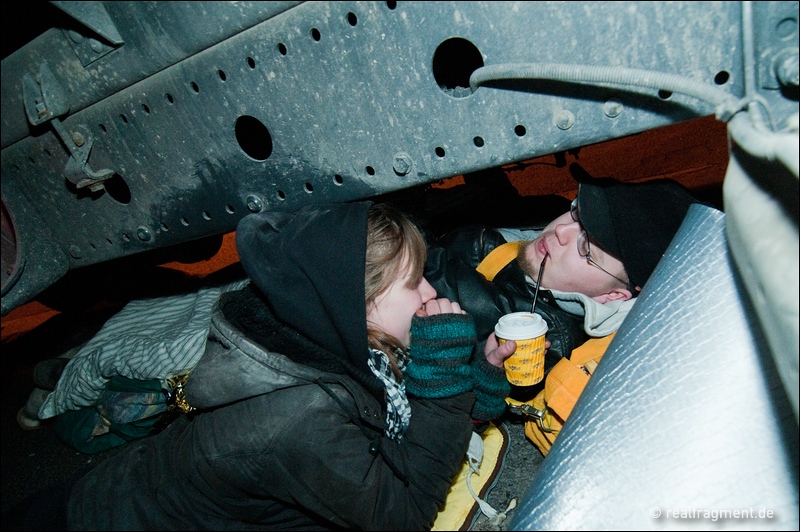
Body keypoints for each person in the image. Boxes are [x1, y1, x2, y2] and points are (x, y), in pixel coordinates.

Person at [4, 201, 514, 531]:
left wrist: (481, 372)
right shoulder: (298, 418)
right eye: (414, 283)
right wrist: (446, 386)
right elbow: (404, 514)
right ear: (354, 304)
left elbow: (413, 428)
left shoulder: (346, 337)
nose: (431, 292)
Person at [425, 175, 705, 396]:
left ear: (613, 295)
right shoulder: (554, 269)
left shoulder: (543, 331)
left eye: (586, 246)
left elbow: (427, 272)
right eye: (577, 211)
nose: (561, 230)